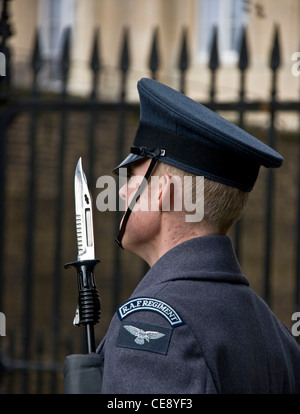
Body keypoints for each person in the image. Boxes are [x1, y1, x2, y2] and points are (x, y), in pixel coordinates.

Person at [94, 77, 300, 394]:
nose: (121, 191)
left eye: (133, 175)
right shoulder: (276, 334)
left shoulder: (151, 324)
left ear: (162, 191)